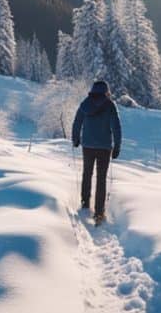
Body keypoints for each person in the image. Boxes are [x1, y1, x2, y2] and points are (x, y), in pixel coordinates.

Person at [71, 80, 122, 224]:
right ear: (106, 91)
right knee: (101, 178)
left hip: (87, 146)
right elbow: (116, 127)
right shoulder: (110, 106)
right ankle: (99, 212)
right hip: (104, 148)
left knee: (87, 173)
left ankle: (85, 202)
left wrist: (75, 138)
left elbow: (77, 122)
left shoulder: (85, 104)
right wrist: (117, 146)